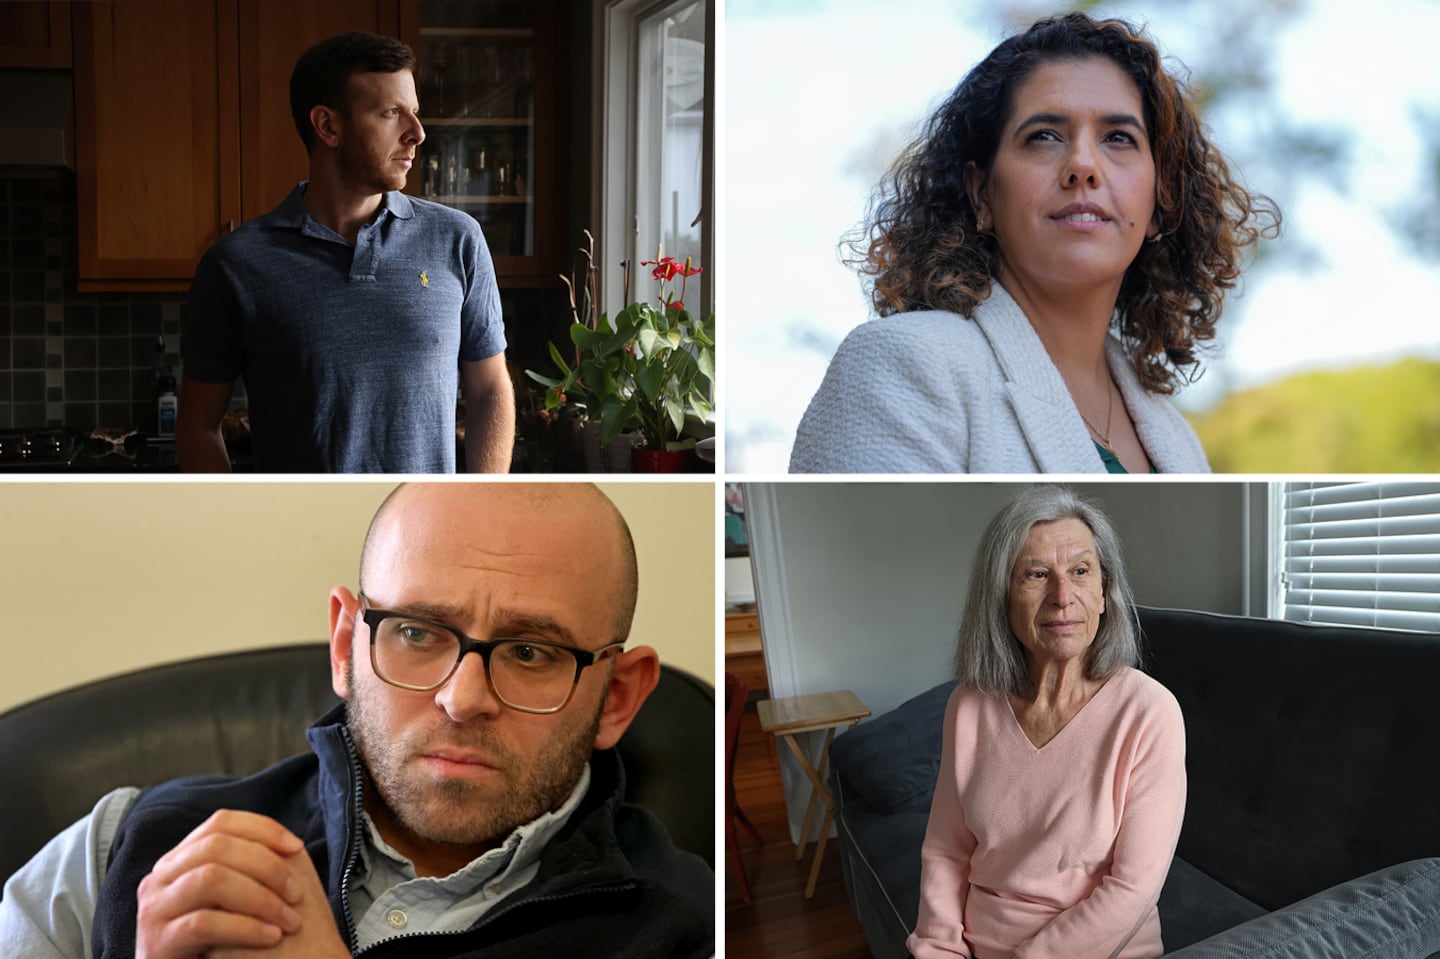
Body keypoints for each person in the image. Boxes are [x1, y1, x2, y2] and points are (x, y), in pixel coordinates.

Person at [0, 483, 713, 958]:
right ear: (347, 645)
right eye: (415, 632)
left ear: (616, 695)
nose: (463, 698)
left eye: (530, 651)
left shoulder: (689, 931)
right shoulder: (120, 846)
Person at [790, 13, 1280, 474]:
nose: (1083, 165)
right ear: (981, 192)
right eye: (1044, 135)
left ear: (1158, 204)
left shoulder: (1176, 437)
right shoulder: (903, 365)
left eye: (1119, 138)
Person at [178, 32, 515, 473]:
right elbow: (197, 426)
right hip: (299, 538)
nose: (417, 133)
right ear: (328, 126)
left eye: (414, 112)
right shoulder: (237, 265)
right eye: (392, 113)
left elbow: (490, 389)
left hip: (425, 535)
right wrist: (241, 533)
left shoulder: (457, 239)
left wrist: (480, 508)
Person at [909, 486, 1185, 959]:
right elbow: (946, 850)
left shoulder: (1148, 712)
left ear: (1104, 594)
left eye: (1080, 571)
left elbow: (1133, 888)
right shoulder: (969, 705)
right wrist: (938, 949)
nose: (1062, 597)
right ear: (1002, 598)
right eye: (1036, 574)